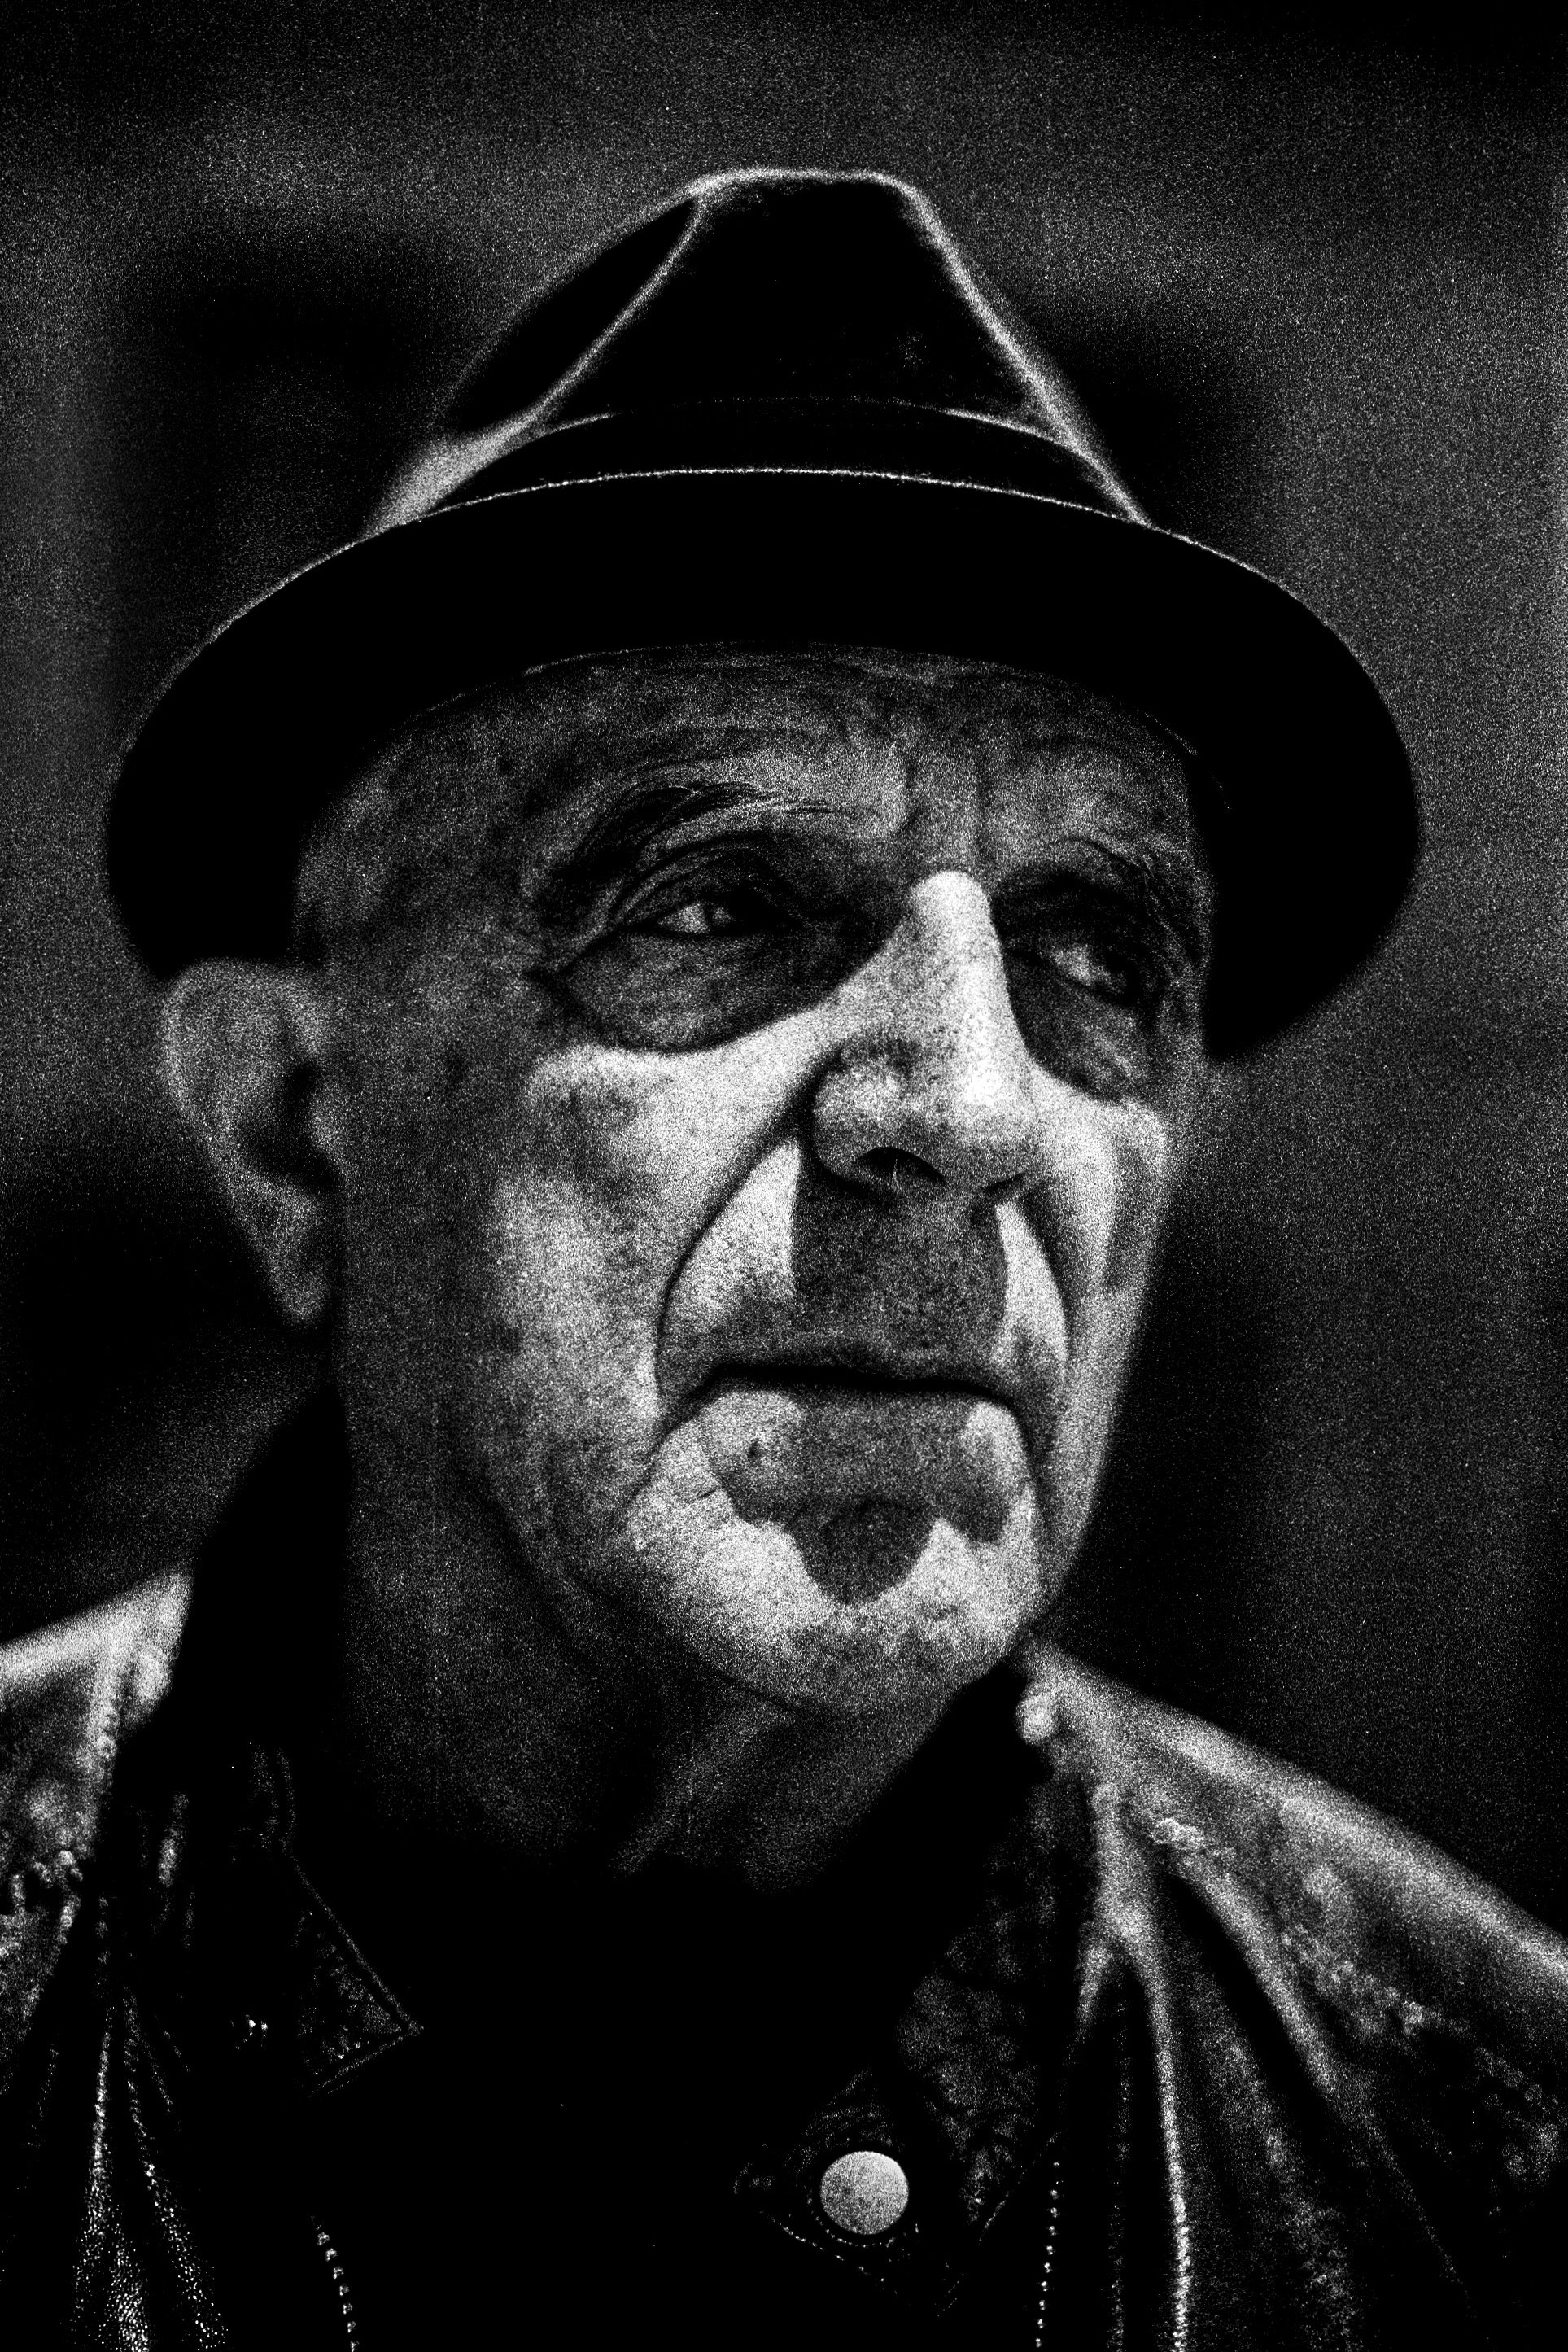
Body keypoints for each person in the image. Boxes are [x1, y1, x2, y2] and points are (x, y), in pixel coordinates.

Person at [2, 167, 1563, 2350]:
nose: (970, 1105)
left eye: (1096, 951)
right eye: (720, 902)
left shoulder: (1476, 2167)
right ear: (292, 1123)